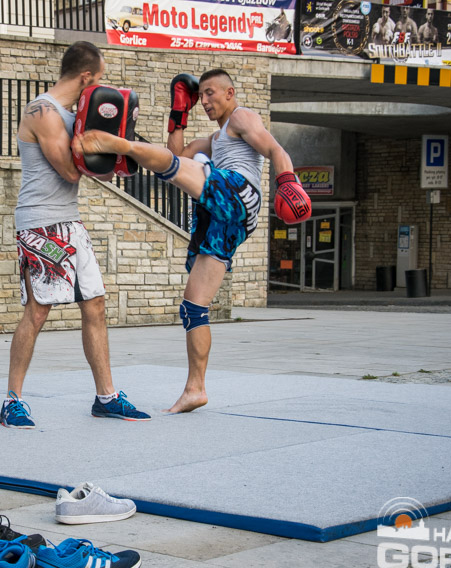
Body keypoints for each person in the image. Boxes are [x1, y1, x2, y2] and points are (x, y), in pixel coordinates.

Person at [75, 69, 309, 414]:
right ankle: (195, 389)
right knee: (193, 307)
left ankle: (118, 144)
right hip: (226, 217)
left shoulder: (242, 118)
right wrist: (178, 113)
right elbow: (178, 154)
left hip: (237, 193)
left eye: (211, 93)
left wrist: (288, 181)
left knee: (178, 167)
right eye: (202, 96)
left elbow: (275, 149)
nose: (206, 101)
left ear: (230, 93)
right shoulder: (215, 139)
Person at [0, 41, 150, 428]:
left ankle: (106, 397)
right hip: (40, 224)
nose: (101, 86)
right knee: (37, 311)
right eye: (99, 79)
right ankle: (12, 401)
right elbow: (69, 170)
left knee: (95, 305)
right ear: (86, 77)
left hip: (70, 220)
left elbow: (97, 168)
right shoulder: (44, 112)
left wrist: (115, 148)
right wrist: (100, 149)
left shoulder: (73, 116)